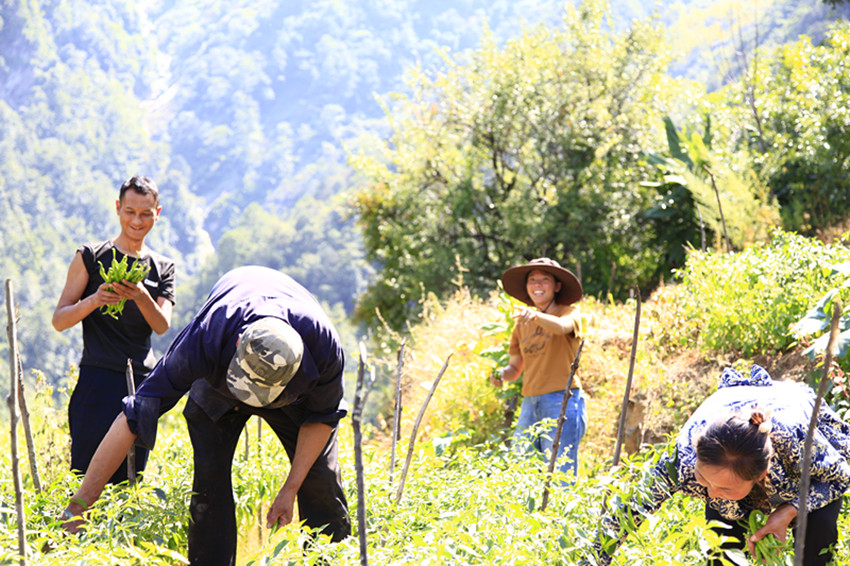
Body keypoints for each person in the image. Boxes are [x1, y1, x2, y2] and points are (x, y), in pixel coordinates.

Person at [61, 265, 351, 566]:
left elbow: (322, 418)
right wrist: (79, 506)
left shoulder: (324, 349)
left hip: (292, 397)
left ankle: (329, 561)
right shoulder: (208, 335)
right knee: (209, 484)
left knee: (321, 483)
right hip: (219, 384)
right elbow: (134, 416)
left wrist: (290, 489)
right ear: (238, 342)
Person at [590, 365, 850, 566]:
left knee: (817, 535)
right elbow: (628, 511)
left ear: (761, 474)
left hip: (794, 429)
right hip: (732, 429)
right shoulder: (684, 459)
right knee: (723, 549)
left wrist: (788, 511)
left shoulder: (795, 440)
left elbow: (840, 477)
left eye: (724, 487)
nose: (712, 492)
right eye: (704, 479)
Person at [52, 175, 175, 484]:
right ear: (118, 208)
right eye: (130, 211)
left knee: (131, 479)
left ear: (157, 213)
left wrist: (141, 296)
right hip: (97, 378)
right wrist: (95, 300)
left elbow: (162, 325)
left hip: (142, 385)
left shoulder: (162, 267)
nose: (137, 220)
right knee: (84, 473)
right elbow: (60, 319)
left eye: (146, 213)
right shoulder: (91, 256)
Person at [489, 257, 588, 480]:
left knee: (560, 473)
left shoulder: (569, 313)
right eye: (532, 280)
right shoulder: (521, 322)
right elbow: (514, 368)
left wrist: (536, 315)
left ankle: (563, 506)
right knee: (521, 469)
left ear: (557, 286)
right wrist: (501, 374)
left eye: (544, 280)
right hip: (530, 403)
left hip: (563, 400)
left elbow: (562, 328)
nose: (537, 285)